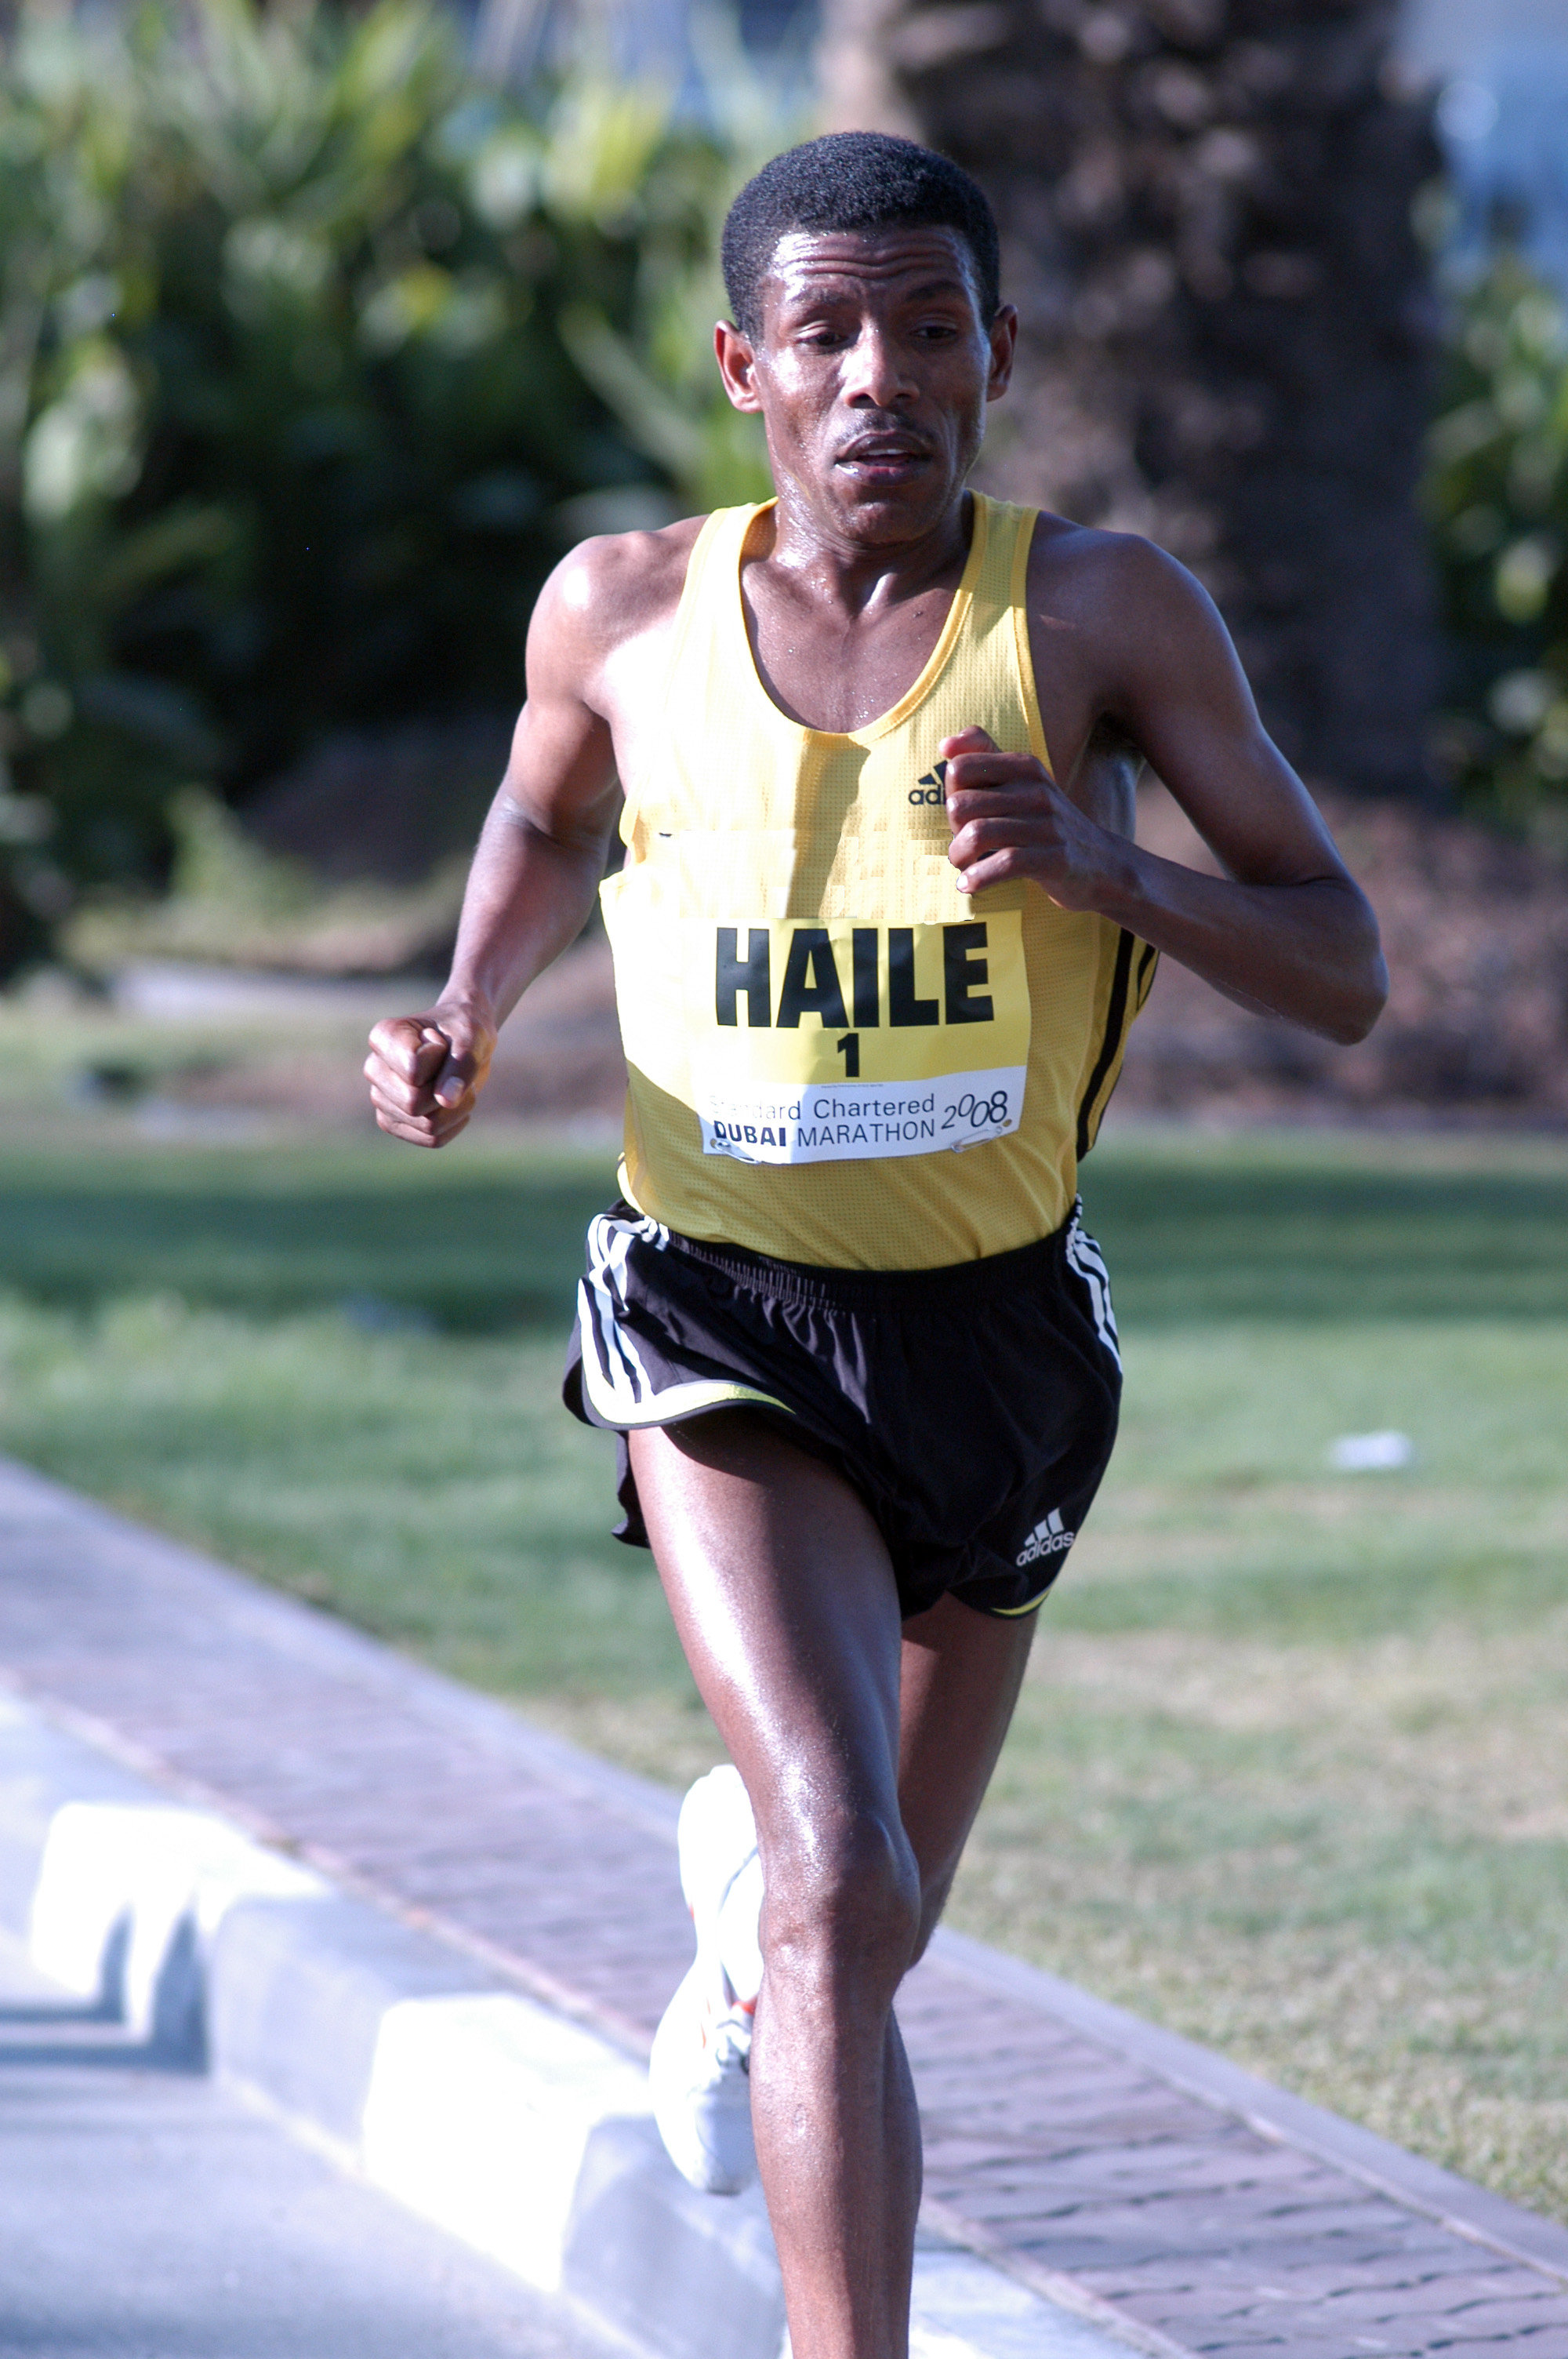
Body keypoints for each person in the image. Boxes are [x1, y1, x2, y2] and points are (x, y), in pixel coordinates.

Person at [365, 131, 1386, 2359]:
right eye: (824, 334)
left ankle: (738, 1958)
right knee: (841, 1863)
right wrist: (469, 1004)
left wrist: (1110, 877)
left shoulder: (1100, 615)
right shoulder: (619, 610)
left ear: (1001, 356)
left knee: (864, 1920)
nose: (878, 382)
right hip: (710, 1302)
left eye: (930, 332)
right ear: (746, 366)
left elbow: (1342, 964)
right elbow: (546, 810)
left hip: (997, 1329)